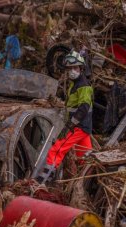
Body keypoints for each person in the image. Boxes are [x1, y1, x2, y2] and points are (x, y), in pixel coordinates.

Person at [35, 51, 94, 184]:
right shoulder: (75, 83)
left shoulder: (83, 86)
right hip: (83, 126)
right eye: (69, 69)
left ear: (81, 68)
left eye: (75, 68)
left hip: (78, 126)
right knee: (85, 156)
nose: (72, 71)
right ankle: (90, 182)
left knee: (57, 150)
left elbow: (84, 108)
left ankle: (41, 183)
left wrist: (70, 125)